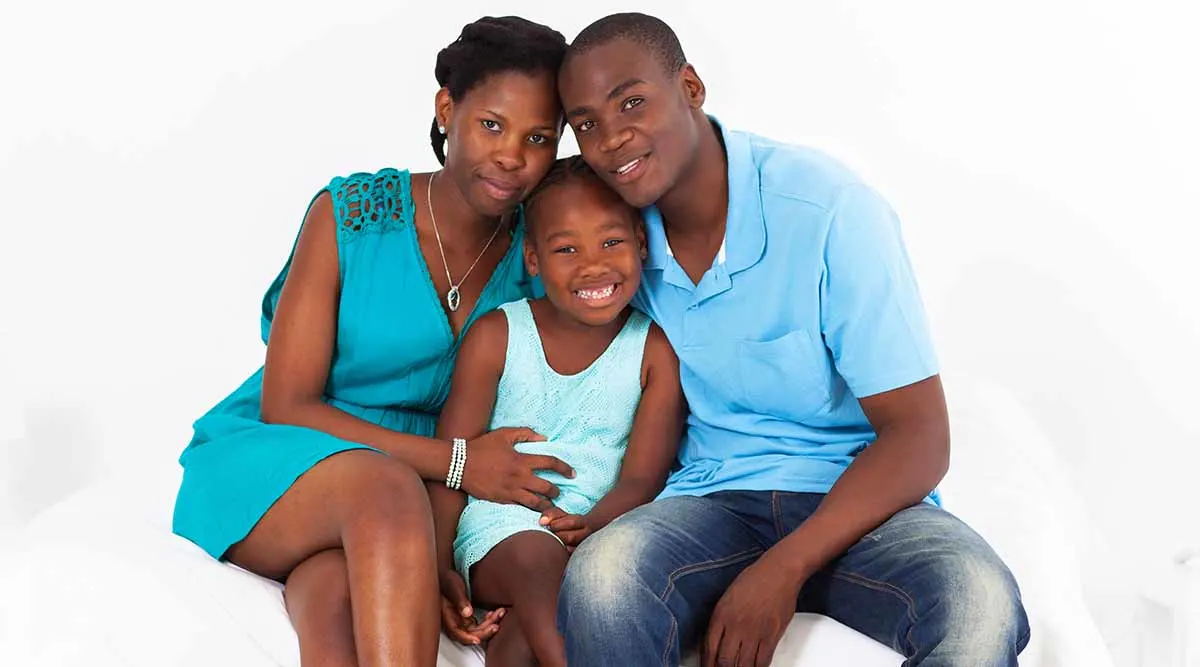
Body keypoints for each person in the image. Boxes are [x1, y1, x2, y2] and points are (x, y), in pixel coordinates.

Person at [553, 12, 1031, 667]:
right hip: (712, 501)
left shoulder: (828, 210)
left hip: (860, 505)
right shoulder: (619, 241)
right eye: (586, 124)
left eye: (632, 101)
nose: (612, 138)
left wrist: (782, 570)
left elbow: (921, 437)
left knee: (981, 605)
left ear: (690, 86)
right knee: (603, 577)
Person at [170, 16, 576, 667]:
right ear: (447, 109)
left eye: (538, 138)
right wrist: (455, 461)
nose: (512, 155)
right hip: (283, 459)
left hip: (403, 505)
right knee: (385, 492)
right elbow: (288, 404)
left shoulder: (543, 245)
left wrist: (439, 547)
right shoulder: (350, 216)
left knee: (333, 614)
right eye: (492, 125)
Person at [430, 156, 686, 667]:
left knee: (524, 636)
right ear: (532, 259)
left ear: (641, 243)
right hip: (501, 530)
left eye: (611, 242)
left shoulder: (654, 349)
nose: (593, 265)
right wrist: (438, 566)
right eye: (566, 248)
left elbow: (642, 479)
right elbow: (451, 464)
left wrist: (593, 524)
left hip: (597, 527)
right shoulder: (498, 336)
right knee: (538, 560)